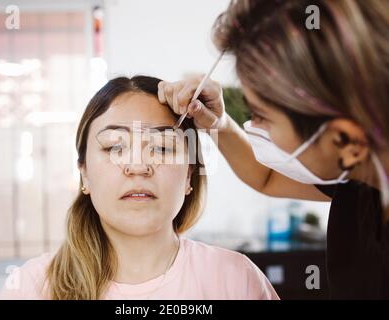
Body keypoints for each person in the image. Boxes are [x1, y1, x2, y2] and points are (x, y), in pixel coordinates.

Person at [158, 0, 389, 299]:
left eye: (262, 116)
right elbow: (266, 176)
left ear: (345, 140)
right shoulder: (359, 182)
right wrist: (220, 124)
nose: (253, 125)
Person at [0, 76, 278, 300]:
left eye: (162, 148)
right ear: (84, 174)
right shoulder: (32, 287)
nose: (139, 166)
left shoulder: (236, 279)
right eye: (114, 147)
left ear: (189, 177)